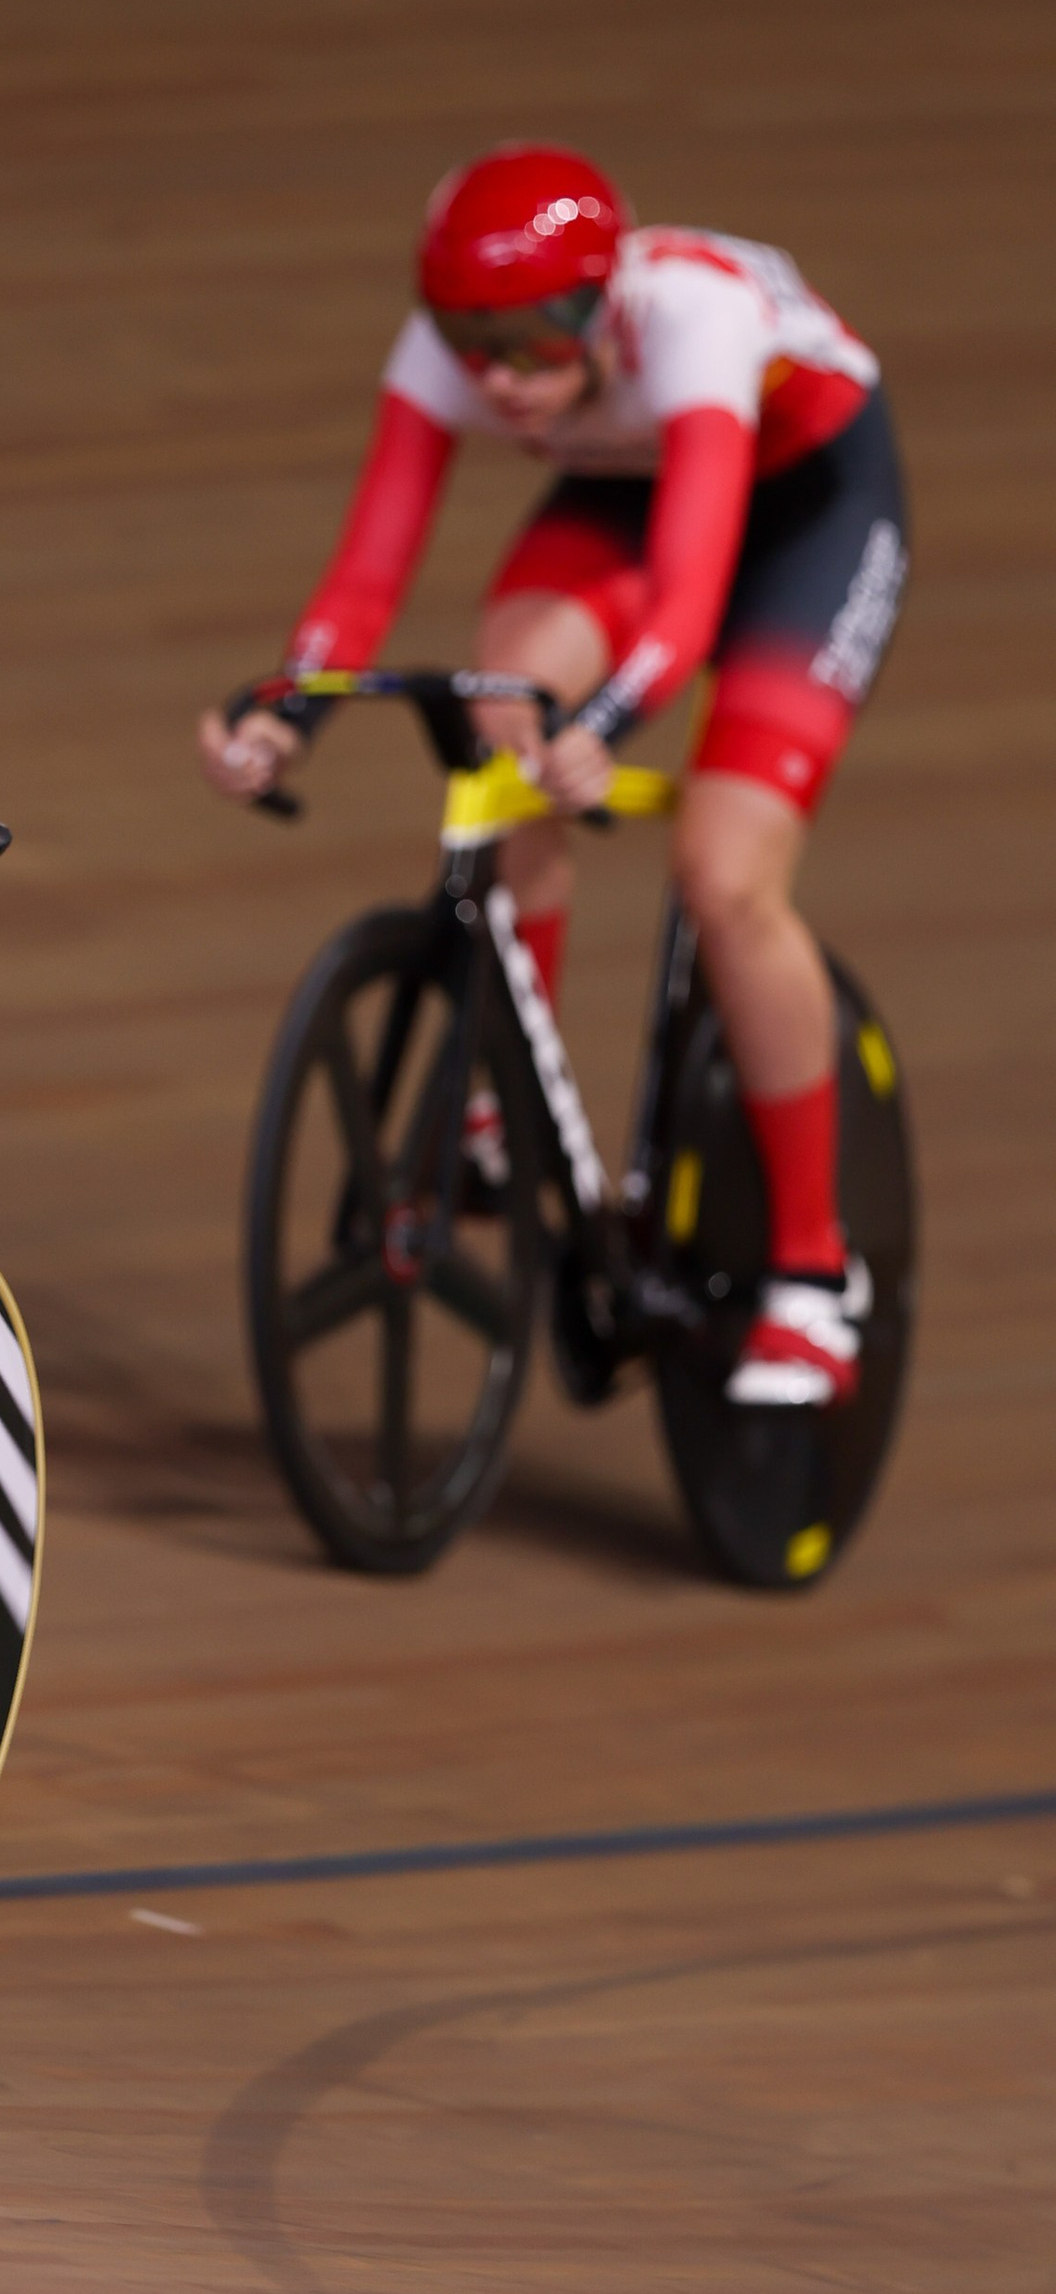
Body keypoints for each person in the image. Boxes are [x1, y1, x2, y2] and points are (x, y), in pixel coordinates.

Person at [200, 145, 906, 1412]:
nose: (499, 380)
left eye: (531, 344)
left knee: (724, 875)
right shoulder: (458, 357)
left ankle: (814, 1269)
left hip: (808, 510)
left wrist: (612, 721)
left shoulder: (692, 321)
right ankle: (502, 1096)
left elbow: (688, 597)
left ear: (603, 304)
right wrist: (287, 715)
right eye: (469, 343)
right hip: (630, 491)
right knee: (501, 713)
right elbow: (366, 573)